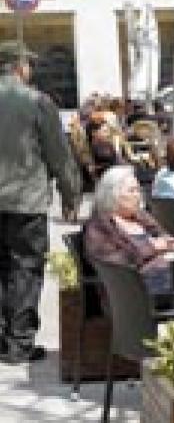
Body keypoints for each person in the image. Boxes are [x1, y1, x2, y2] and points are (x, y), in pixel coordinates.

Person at [0, 40, 81, 363]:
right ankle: (19, 342)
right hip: (26, 200)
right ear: (20, 67)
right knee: (25, 268)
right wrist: (71, 195)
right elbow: (59, 156)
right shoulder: (38, 102)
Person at [84, 166, 174, 294]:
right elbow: (112, 264)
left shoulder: (140, 217)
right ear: (112, 195)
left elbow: (163, 237)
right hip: (134, 288)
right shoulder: (99, 226)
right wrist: (151, 248)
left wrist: (170, 243)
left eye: (138, 190)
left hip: (165, 273)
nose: (138, 195)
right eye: (132, 191)